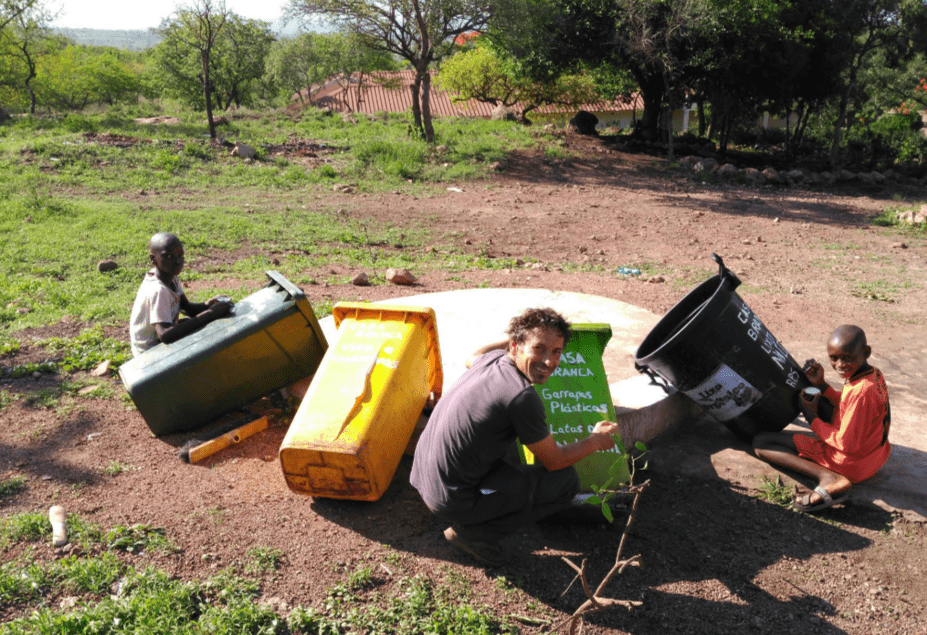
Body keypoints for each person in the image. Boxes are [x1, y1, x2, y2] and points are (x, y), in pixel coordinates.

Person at [410, 307, 620, 566]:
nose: (549, 361)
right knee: (564, 482)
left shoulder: (490, 361)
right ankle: (473, 535)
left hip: (424, 478)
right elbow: (554, 461)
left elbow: (473, 354)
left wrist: (524, 334)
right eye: (539, 349)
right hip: (451, 499)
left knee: (512, 461)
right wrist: (595, 441)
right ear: (515, 347)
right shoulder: (521, 397)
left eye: (557, 351)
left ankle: (494, 505)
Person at [753, 325, 891, 513]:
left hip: (852, 465)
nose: (840, 365)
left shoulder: (861, 393)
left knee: (762, 443)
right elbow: (847, 404)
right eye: (834, 358)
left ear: (866, 352)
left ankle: (829, 478)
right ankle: (830, 468)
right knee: (821, 398)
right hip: (875, 456)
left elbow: (846, 443)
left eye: (847, 358)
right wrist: (822, 385)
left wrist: (811, 417)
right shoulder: (873, 374)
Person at [129, 232, 232, 357]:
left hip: (160, 341)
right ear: (153, 259)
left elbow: (186, 307)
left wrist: (208, 304)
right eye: (168, 256)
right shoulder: (158, 290)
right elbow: (165, 335)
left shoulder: (170, 277)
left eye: (180, 255)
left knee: (189, 324)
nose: (177, 261)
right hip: (149, 353)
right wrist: (209, 314)